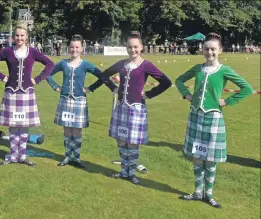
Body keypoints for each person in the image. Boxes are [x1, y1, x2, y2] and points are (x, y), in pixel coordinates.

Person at [175, 33, 253, 208]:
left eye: (213, 49)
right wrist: (187, 95)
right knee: (197, 156)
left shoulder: (224, 70)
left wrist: (227, 101)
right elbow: (179, 80)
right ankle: (197, 192)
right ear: (202, 50)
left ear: (220, 50)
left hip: (213, 117)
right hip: (196, 115)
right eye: (206, 49)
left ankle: (208, 195)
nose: (209, 52)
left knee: (210, 159)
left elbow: (246, 88)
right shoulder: (197, 68)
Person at [102, 31, 172, 185]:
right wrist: (113, 87)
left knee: (132, 142)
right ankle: (123, 170)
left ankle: (131, 173)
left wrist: (149, 94)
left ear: (141, 47)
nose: (132, 50)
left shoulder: (146, 65)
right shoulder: (121, 64)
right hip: (121, 107)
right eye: (129, 47)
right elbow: (103, 75)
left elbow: (166, 82)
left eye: (135, 47)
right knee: (121, 140)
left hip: (136, 108)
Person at [46, 34, 116, 168]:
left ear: (81, 48)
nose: (74, 49)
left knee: (77, 131)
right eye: (72, 47)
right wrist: (55, 87)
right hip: (65, 100)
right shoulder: (63, 63)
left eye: (77, 47)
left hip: (79, 100)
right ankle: (67, 157)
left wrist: (91, 88)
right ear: (69, 48)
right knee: (67, 130)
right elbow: (48, 73)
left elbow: (102, 76)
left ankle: (76, 158)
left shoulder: (85, 64)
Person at [0, 21, 54, 166]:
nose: (19, 38)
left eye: (22, 35)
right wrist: (3, 77)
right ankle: (12, 155)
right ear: (13, 37)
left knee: (23, 125)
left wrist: (37, 79)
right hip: (11, 93)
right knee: (12, 125)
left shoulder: (33, 52)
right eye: (17, 35)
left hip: (26, 93)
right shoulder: (7, 51)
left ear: (27, 37)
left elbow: (50, 64)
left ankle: (22, 156)